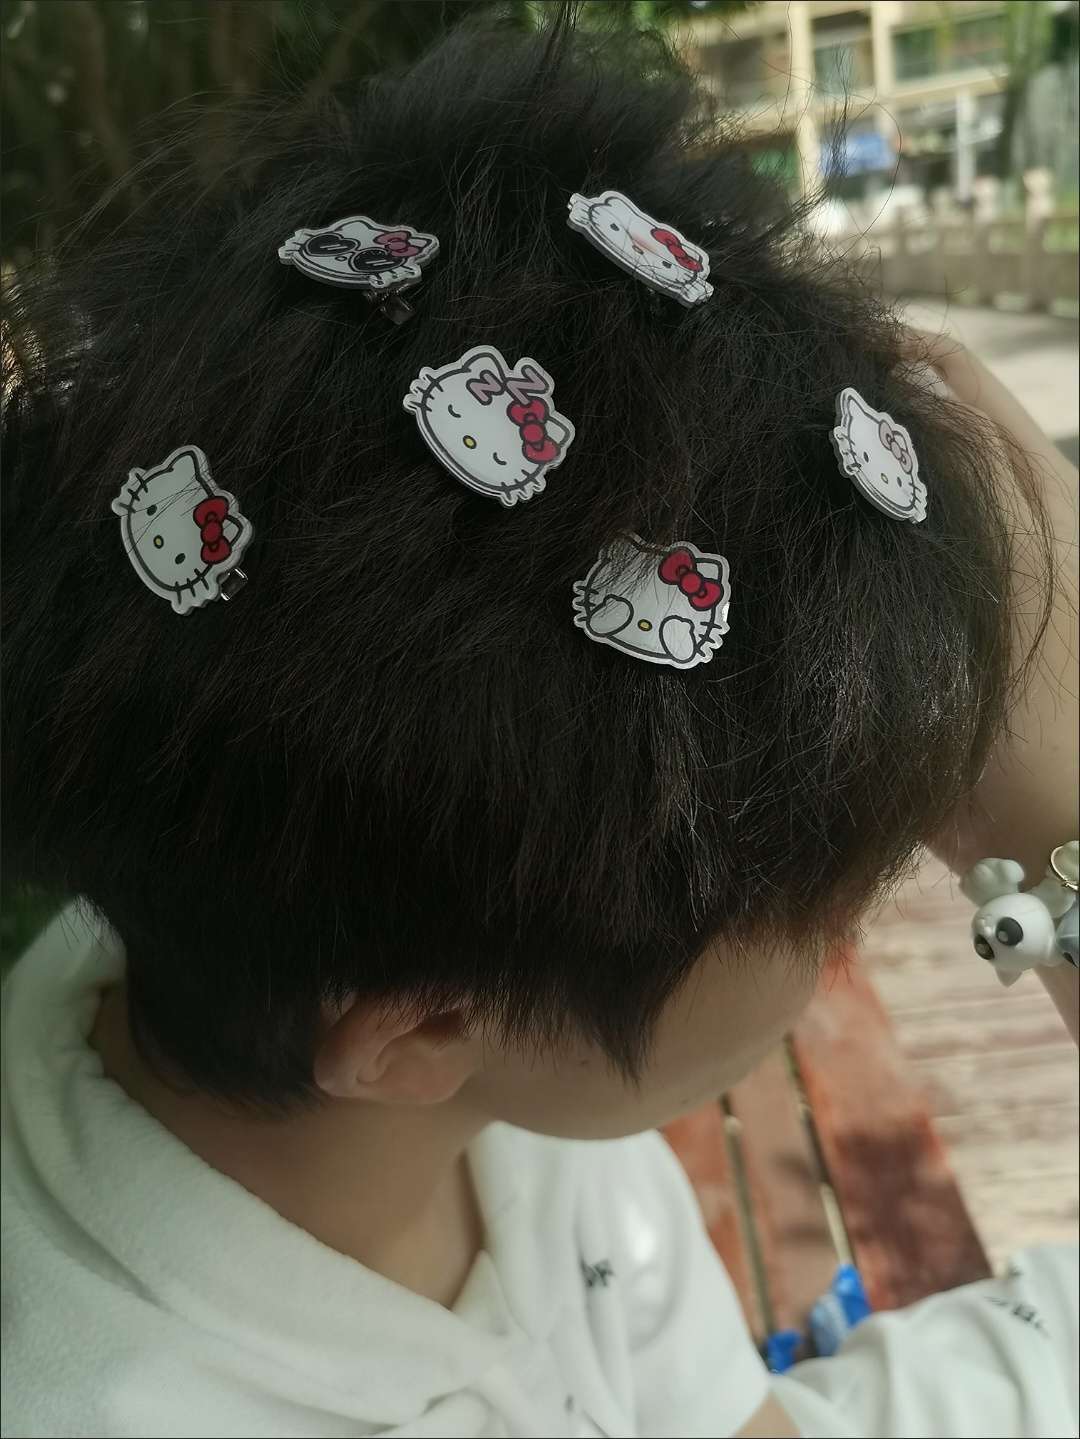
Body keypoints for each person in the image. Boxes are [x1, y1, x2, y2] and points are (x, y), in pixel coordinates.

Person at [2, 11, 1076, 1437]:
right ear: (423, 1030)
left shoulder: (406, 976)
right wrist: (1063, 837)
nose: (860, 923)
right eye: (825, 898)